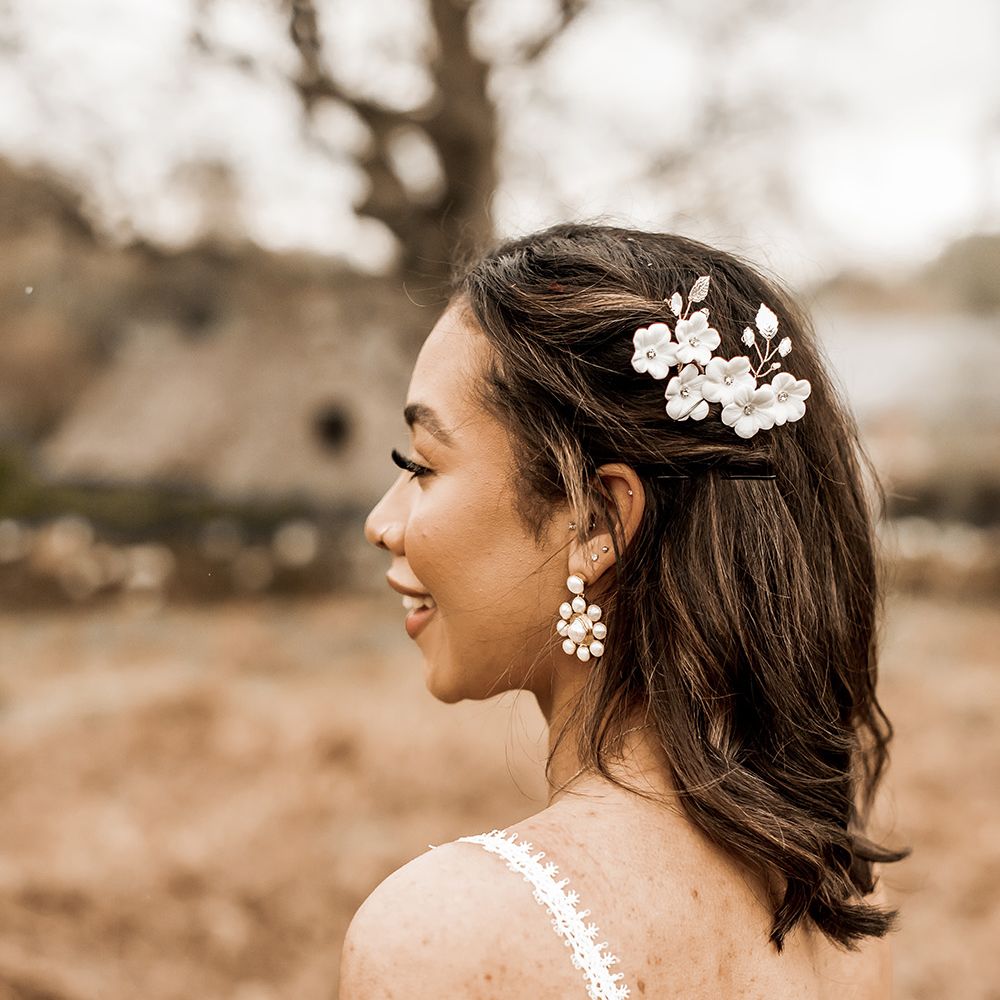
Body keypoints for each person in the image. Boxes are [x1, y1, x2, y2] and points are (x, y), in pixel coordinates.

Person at [341, 223, 907, 999]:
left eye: (421, 465)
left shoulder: (450, 939)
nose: (382, 521)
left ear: (598, 522)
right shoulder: (844, 901)